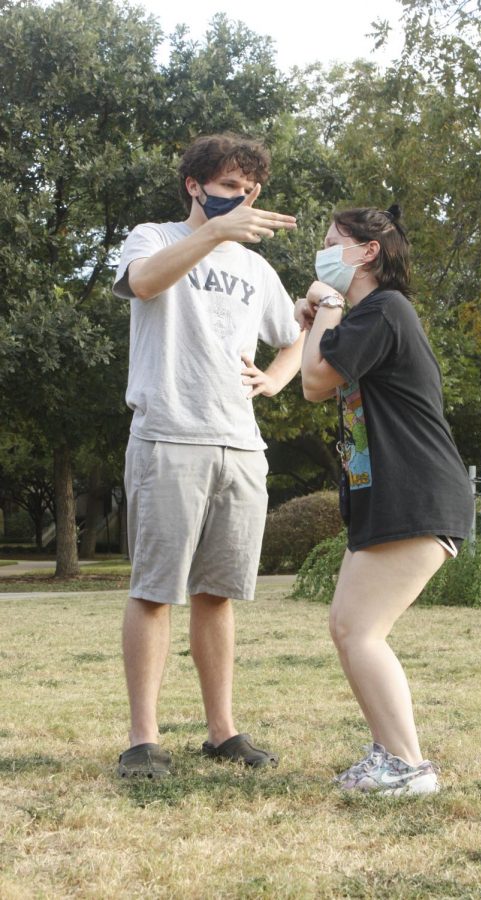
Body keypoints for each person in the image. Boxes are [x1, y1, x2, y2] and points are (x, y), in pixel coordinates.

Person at [112, 133, 303, 778]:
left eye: (250, 192)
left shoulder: (258, 270)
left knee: (216, 594)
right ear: (194, 186)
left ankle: (222, 732)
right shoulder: (154, 237)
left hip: (241, 444)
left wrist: (277, 378)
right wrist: (219, 233)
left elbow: (296, 335)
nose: (242, 200)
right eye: (229, 188)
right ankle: (144, 738)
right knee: (154, 591)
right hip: (168, 435)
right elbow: (142, 284)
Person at [295, 204, 474, 796]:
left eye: (332, 242)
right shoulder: (370, 316)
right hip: (392, 496)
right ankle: (391, 757)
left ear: (367, 251)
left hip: (414, 492)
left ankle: (406, 765)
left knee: (360, 630)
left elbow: (315, 383)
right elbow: (318, 366)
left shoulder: (385, 309)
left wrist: (326, 306)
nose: (322, 252)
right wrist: (320, 318)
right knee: (350, 627)